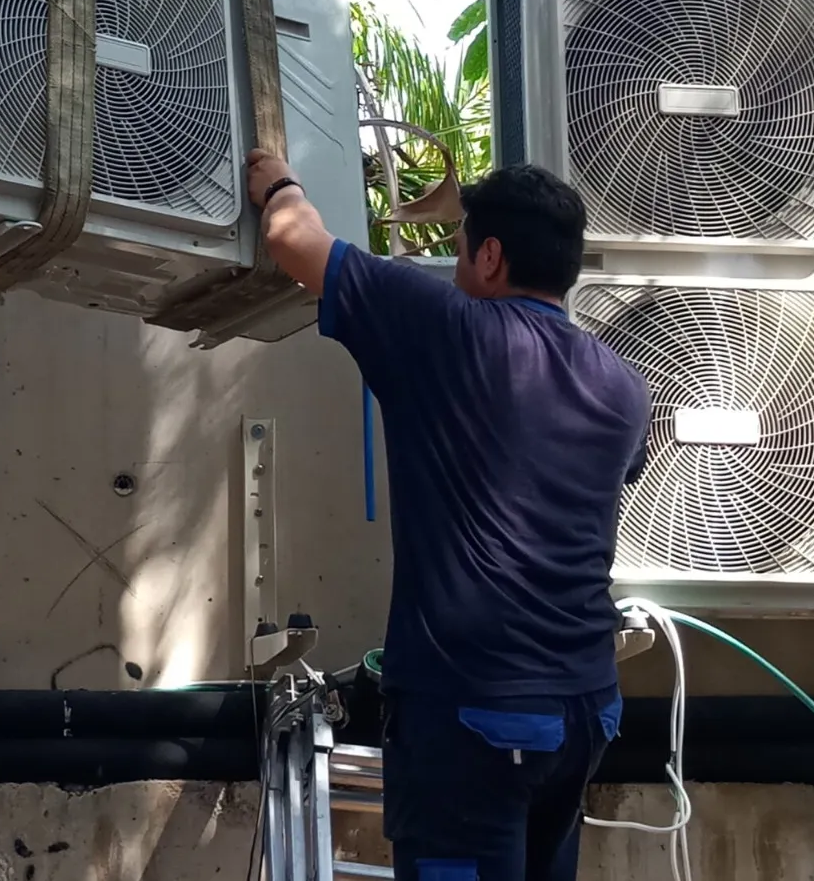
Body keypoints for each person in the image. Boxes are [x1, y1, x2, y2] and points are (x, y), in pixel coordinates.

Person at [245, 148, 651, 881]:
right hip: (584, 708)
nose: (455, 264)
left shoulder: (447, 330)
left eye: (460, 246)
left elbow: (291, 240)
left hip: (477, 712)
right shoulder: (623, 384)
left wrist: (276, 179)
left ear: (491, 256)